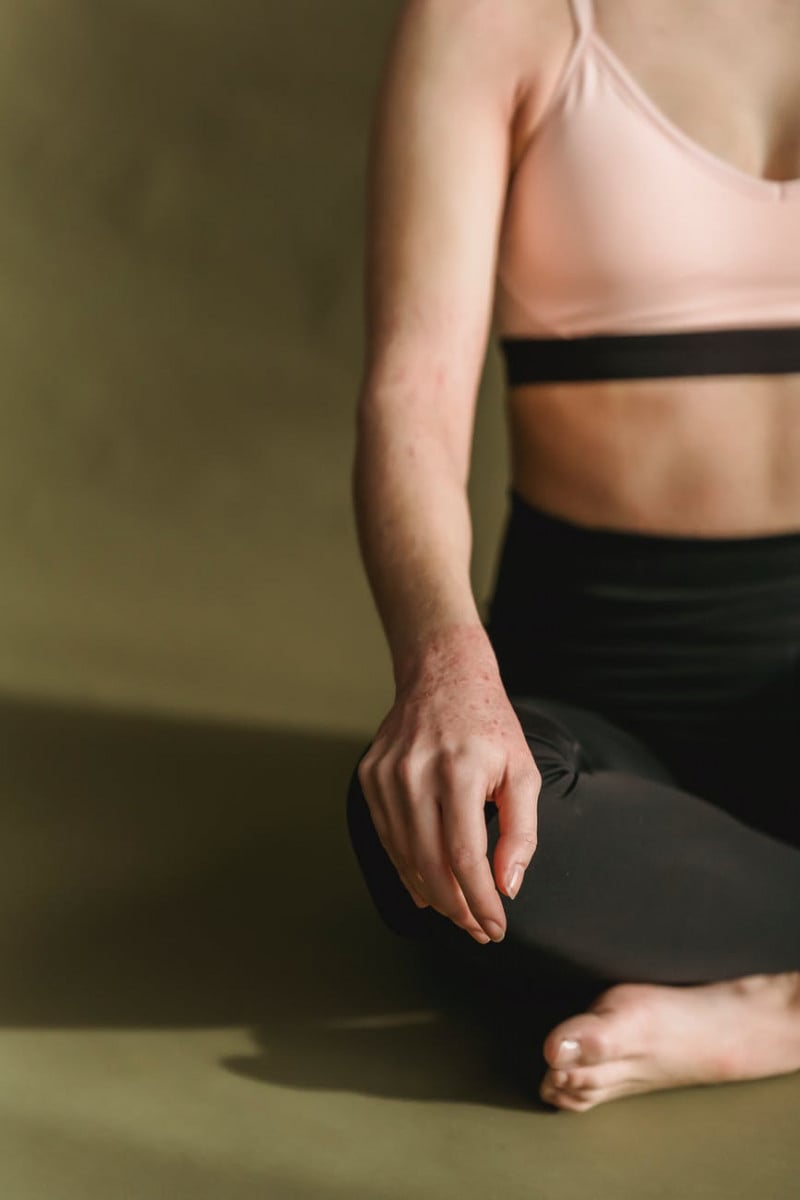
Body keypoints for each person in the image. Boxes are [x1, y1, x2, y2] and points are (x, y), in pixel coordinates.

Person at [344, 0, 800, 1112]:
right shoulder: (492, 19)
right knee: (446, 836)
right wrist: (443, 672)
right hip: (596, 674)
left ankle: (774, 1012)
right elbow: (412, 397)